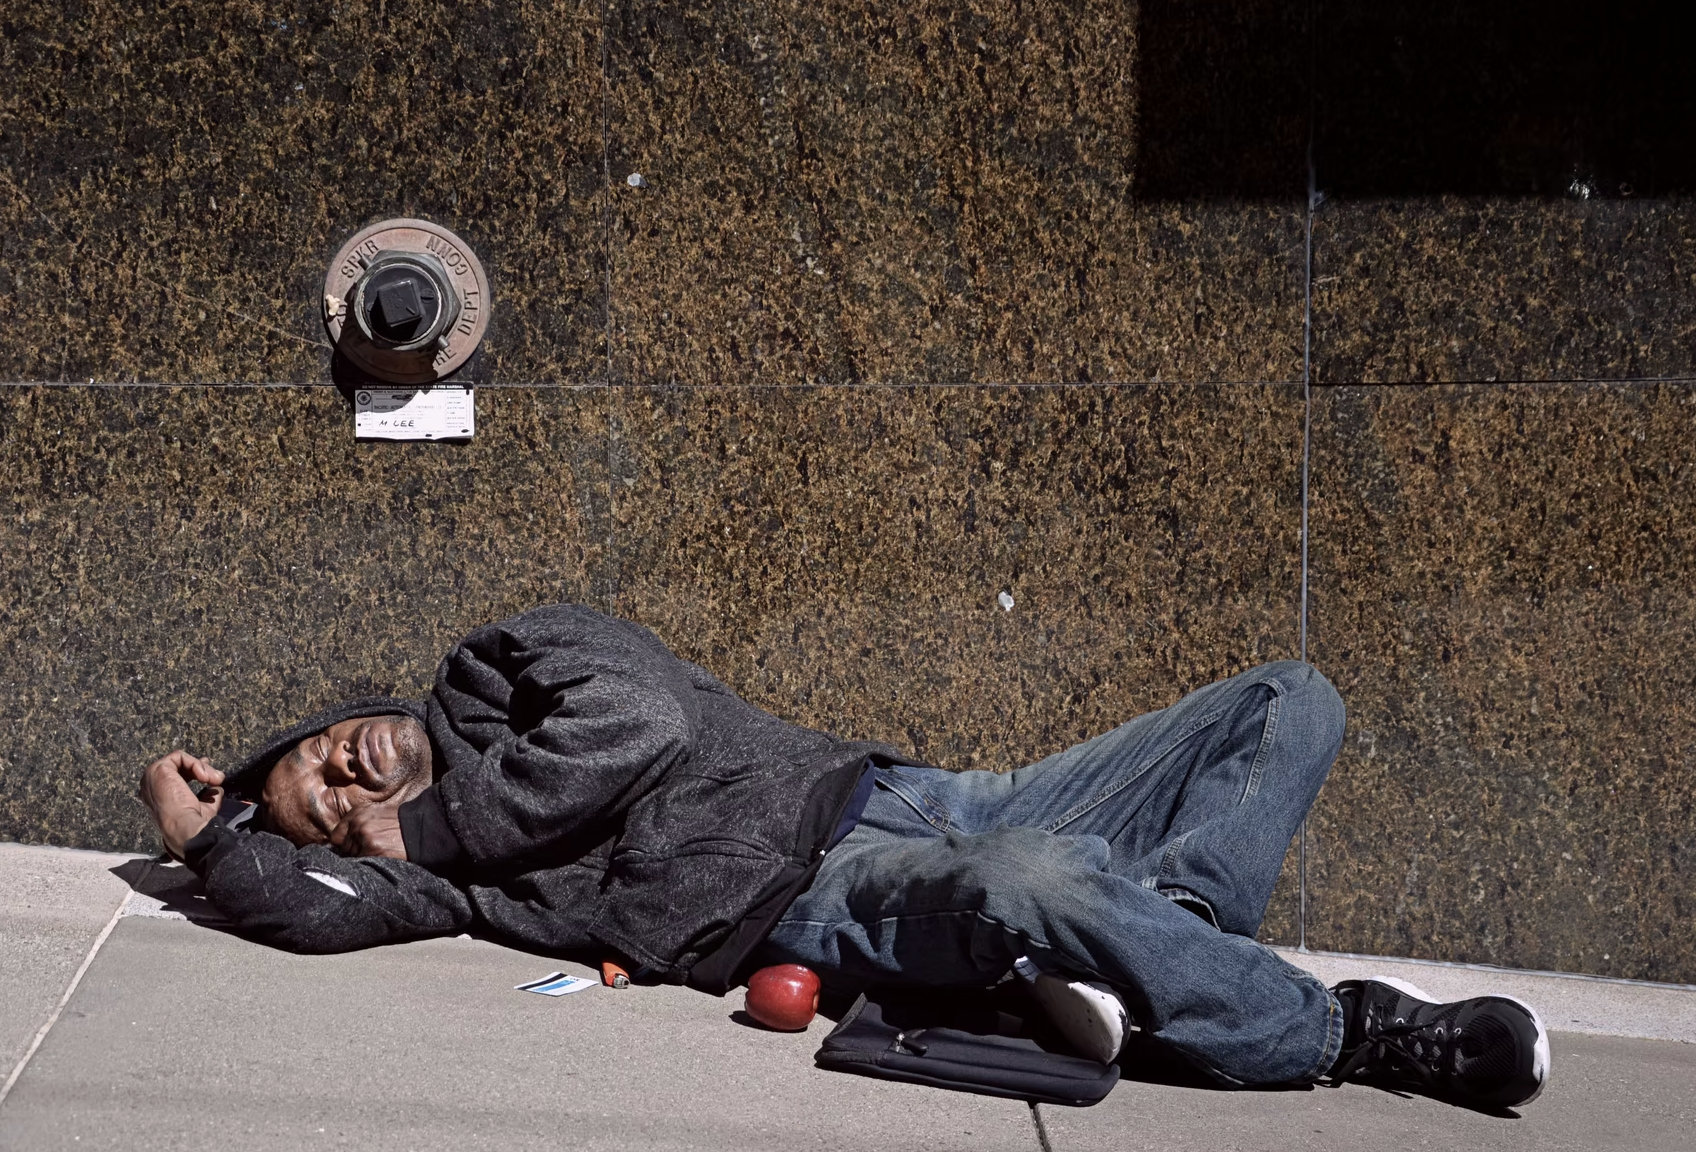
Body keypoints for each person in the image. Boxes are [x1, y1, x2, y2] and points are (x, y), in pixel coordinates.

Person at [137, 603, 1548, 1110]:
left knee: (1286, 699)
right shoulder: (442, 884)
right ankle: (1344, 1035)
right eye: (328, 804)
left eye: (324, 755)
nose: (342, 778)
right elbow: (319, 916)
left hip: (916, 790)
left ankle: (1162, 932)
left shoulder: (509, 661)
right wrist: (212, 843)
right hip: (816, 902)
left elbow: (642, 723)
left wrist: (437, 813)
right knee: (1037, 894)